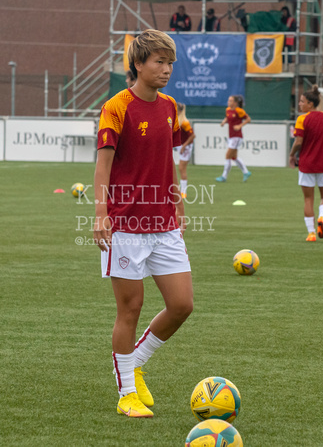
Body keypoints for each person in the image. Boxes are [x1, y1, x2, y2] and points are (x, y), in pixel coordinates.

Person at [93, 29, 193, 418]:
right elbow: (102, 166)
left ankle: (134, 363)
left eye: (170, 63)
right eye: (159, 62)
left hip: (164, 223)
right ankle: (127, 394)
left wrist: (177, 203)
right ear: (138, 64)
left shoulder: (169, 106)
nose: (166, 69)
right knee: (130, 309)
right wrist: (100, 214)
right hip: (126, 227)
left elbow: (167, 158)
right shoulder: (116, 107)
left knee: (182, 305)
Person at [289, 85, 323, 242]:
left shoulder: (302, 119)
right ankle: (322, 218)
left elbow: (298, 141)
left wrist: (291, 155)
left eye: (302, 102)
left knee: (308, 199)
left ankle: (311, 233)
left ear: (310, 103)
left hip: (306, 164)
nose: (300, 104)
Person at [216, 95, 252, 183]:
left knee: (228, 156)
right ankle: (246, 172)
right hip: (231, 136)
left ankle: (224, 176)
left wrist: (240, 125)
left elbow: (248, 119)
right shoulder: (228, 110)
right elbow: (227, 118)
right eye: (229, 100)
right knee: (234, 157)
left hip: (237, 136)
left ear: (235, 102)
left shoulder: (239, 111)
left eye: (231, 100)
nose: (229, 102)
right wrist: (224, 122)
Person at [174, 102, 196, 199]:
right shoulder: (176, 120)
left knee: (182, 168)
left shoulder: (184, 122)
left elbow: (192, 136)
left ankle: (183, 192)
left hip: (186, 146)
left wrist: (184, 146)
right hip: (180, 145)